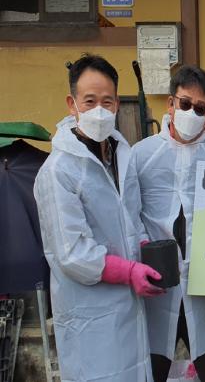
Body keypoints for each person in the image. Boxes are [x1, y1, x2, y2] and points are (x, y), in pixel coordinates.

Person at [33, 54, 159, 382]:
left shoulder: (121, 156)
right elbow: (72, 253)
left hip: (129, 311)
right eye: (90, 101)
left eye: (107, 101)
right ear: (72, 104)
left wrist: (148, 250)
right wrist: (128, 270)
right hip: (90, 315)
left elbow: (132, 220)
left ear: (117, 104)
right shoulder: (59, 170)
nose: (99, 111)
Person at [124, 65, 205, 382]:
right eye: (185, 103)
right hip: (156, 285)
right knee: (149, 370)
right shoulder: (141, 155)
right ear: (170, 104)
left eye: (199, 108)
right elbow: (130, 215)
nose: (191, 113)